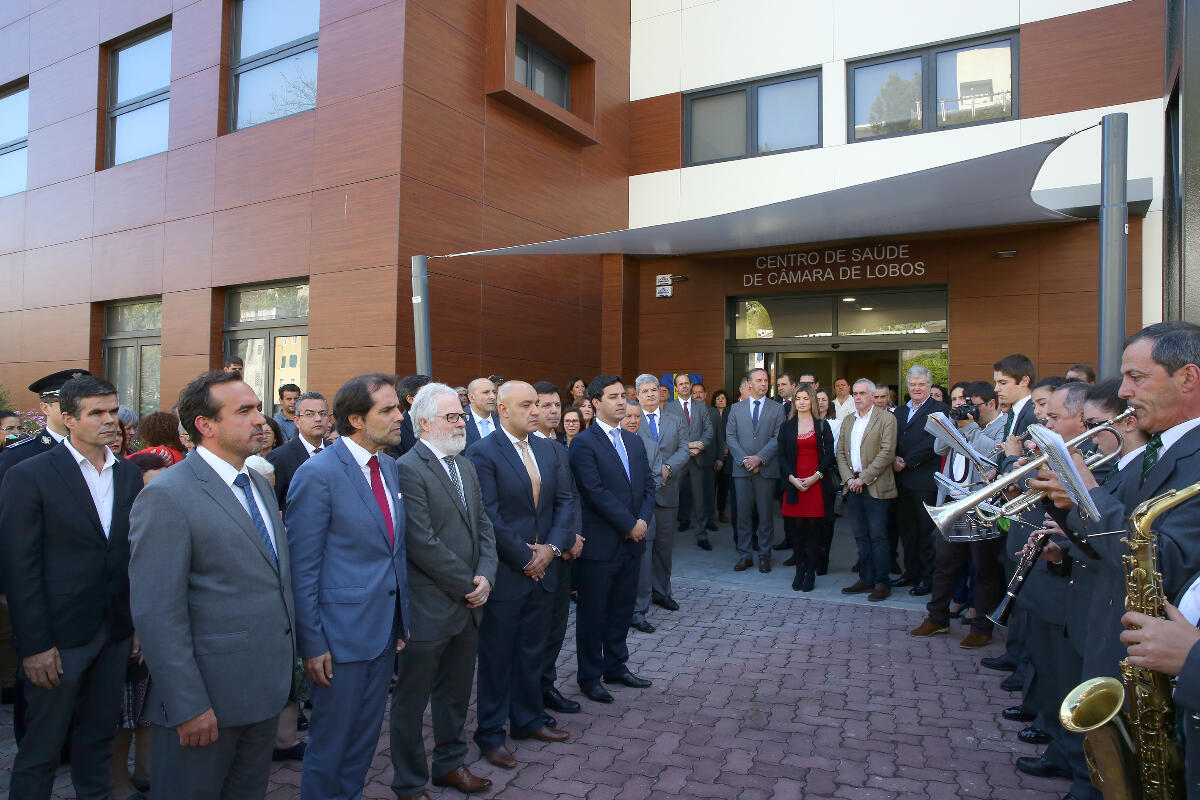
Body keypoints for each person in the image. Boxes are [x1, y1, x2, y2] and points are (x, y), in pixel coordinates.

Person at [128, 370, 295, 800]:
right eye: (245, 410)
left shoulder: (257, 480)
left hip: (262, 695)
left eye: (258, 407)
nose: (261, 419)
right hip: (204, 706)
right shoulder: (167, 495)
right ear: (205, 426)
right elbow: (157, 612)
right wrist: (188, 705)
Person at [1, 376, 142, 800]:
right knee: (40, 751)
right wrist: (35, 645)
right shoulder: (30, 474)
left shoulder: (130, 475)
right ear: (68, 419)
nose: (109, 421)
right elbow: (19, 567)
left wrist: (133, 626)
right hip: (58, 640)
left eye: (114, 411)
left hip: (114, 633)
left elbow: (130, 558)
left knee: (98, 742)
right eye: (97, 413)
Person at [286, 374, 409, 800]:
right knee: (331, 745)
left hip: (380, 633)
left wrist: (398, 623)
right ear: (356, 419)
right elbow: (303, 568)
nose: (400, 417)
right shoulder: (317, 474)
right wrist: (312, 642)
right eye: (388, 410)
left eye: (399, 407)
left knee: (363, 741)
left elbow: (391, 552)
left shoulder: (389, 467)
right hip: (337, 640)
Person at [392, 383, 498, 797]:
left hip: (470, 604)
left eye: (461, 416)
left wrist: (486, 576)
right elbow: (421, 542)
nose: (461, 423)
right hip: (430, 607)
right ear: (423, 423)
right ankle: (409, 782)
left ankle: (449, 765)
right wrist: (468, 584)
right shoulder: (408, 468)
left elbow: (484, 527)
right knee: (411, 701)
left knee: (455, 695)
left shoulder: (465, 464)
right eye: (452, 417)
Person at [467, 381, 575, 768]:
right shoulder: (482, 452)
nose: (536, 411)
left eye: (538, 404)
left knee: (533, 650)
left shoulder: (548, 449)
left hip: (545, 569)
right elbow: (489, 516)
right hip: (510, 573)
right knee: (497, 657)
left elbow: (564, 503)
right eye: (527, 405)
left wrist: (551, 550)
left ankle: (528, 720)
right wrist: (525, 558)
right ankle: (491, 734)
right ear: (503, 409)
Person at [568, 376, 656, 704]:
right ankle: (589, 676)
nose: (622, 402)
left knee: (621, 609)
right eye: (614, 397)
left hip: (633, 542)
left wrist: (642, 521)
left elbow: (648, 484)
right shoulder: (583, 443)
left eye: (624, 396)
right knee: (593, 615)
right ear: (595, 403)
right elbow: (594, 492)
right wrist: (628, 524)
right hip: (601, 545)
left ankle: (616, 666)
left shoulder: (633, 440)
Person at [112, 450, 172, 800]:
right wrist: (137, 628)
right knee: (125, 712)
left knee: (152, 707)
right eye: (155, 481)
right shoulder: (126, 521)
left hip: (162, 627)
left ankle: (147, 770)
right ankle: (116, 780)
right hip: (130, 626)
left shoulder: (167, 512)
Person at [529, 382, 583, 719]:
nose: (552, 411)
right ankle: (530, 692)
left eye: (556, 405)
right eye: (544, 405)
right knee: (534, 630)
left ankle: (546, 685)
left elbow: (571, 498)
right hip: (536, 554)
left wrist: (573, 537)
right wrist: (555, 543)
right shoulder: (527, 448)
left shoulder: (560, 447)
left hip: (564, 551)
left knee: (557, 627)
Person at [630, 376, 690, 631]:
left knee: (664, 547)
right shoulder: (631, 419)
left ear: (661, 393)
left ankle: (661, 591)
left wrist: (667, 467)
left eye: (654, 390)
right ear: (637, 394)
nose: (650, 394)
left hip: (668, 491)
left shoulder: (676, 420)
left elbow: (685, 449)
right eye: (644, 391)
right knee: (643, 551)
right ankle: (639, 605)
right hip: (641, 495)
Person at [838, 379, 898, 602]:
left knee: (878, 537)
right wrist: (849, 479)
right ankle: (866, 578)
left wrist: (862, 478)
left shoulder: (886, 419)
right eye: (855, 393)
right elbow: (841, 453)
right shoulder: (848, 421)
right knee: (861, 536)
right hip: (852, 487)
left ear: (873, 396)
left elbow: (887, 453)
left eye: (862, 393)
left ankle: (882, 582)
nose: (857, 397)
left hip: (876, 486)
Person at [891, 365, 948, 596]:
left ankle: (927, 578)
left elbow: (934, 442)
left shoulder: (940, 409)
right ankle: (910, 572)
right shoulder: (900, 412)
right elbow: (893, 438)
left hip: (924, 480)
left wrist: (908, 460)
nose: (916, 388)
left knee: (926, 532)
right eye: (913, 384)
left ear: (929, 385)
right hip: (901, 480)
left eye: (921, 384)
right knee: (907, 530)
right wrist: (894, 457)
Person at [726, 368, 787, 572]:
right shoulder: (735, 408)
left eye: (766, 380)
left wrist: (760, 458)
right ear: (749, 384)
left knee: (765, 515)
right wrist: (746, 461)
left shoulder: (777, 409)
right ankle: (744, 555)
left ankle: (764, 555)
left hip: (766, 469)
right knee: (742, 515)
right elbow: (731, 437)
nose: (764, 384)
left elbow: (779, 437)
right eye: (759, 380)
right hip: (742, 470)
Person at [777, 384, 835, 592]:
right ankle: (799, 571)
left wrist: (815, 476)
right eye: (798, 398)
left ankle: (810, 572)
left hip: (816, 484)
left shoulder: (822, 425)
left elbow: (830, 455)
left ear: (812, 400)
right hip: (794, 484)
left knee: (814, 532)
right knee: (797, 532)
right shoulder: (786, 426)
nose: (801, 402)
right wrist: (792, 478)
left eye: (805, 398)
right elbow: (781, 455)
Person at [663, 373, 714, 543]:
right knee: (673, 496)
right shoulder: (669, 408)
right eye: (681, 384)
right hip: (678, 459)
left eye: (687, 383)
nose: (684, 386)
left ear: (691, 385)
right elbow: (670, 435)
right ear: (675, 388)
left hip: (698, 459)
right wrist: (689, 447)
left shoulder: (701, 407)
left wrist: (700, 445)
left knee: (700, 499)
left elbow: (709, 431)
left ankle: (701, 534)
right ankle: (669, 535)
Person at [266, 391, 331, 512]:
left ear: (328, 419)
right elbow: (273, 505)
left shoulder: (336, 452)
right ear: (296, 421)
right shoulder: (279, 457)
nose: (318, 419)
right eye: (309, 414)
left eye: (322, 413)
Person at [711, 390, 731, 524]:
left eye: (723, 398)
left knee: (724, 485)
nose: (720, 400)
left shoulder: (732, 413)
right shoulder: (709, 413)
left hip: (729, 454)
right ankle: (710, 513)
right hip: (712, 454)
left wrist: (727, 447)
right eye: (718, 398)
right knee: (711, 486)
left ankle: (722, 511)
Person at [464, 377, 500, 445]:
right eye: (486, 392)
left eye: (494, 392)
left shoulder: (503, 420)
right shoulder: (459, 420)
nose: (493, 397)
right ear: (471, 397)